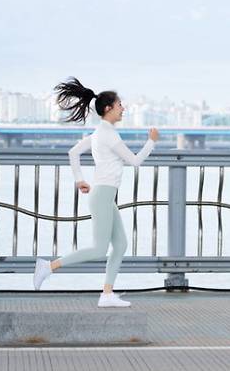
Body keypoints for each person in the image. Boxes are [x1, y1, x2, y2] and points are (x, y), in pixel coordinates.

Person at [33, 76, 159, 308]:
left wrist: (80, 179)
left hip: (104, 195)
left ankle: (107, 294)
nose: (124, 109)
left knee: (120, 245)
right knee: (100, 248)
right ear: (109, 108)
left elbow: (73, 153)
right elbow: (134, 161)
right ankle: (48, 267)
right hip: (102, 195)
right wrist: (151, 142)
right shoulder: (109, 134)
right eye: (120, 105)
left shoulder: (100, 133)